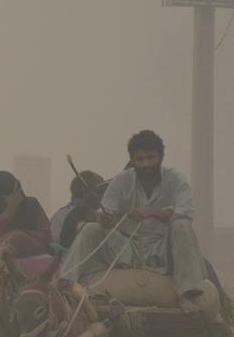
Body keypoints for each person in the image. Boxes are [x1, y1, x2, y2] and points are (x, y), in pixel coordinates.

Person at [60, 129, 206, 313]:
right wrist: (105, 219)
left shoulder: (176, 180)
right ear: (133, 160)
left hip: (164, 249)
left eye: (151, 158)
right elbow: (106, 213)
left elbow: (185, 213)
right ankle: (65, 285)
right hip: (127, 248)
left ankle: (186, 295)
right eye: (140, 159)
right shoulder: (122, 180)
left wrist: (151, 213)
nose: (146, 164)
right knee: (91, 228)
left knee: (181, 225)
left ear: (161, 157)